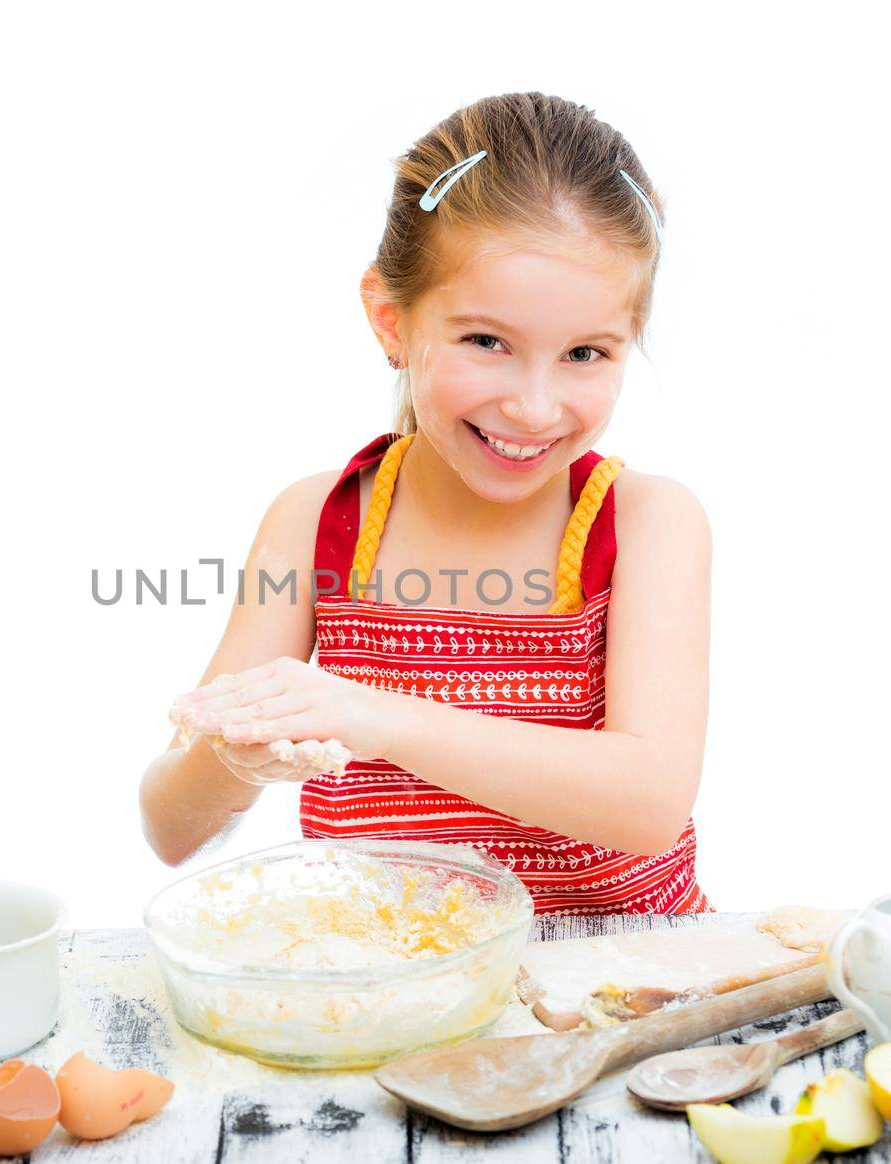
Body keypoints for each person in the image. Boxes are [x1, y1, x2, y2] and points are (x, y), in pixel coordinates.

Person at [139, 92, 711, 914]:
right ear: (390, 320)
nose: (536, 407)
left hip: (622, 984)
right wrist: (230, 759)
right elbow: (170, 828)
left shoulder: (648, 523)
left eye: (585, 353)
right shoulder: (317, 522)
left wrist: (376, 717)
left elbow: (649, 803)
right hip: (395, 990)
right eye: (487, 342)